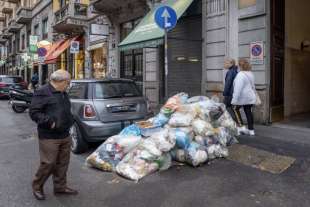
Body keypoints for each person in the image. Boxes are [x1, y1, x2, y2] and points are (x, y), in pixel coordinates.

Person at [29, 69, 77, 200]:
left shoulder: (63, 92)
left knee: (63, 163)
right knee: (48, 163)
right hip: (49, 136)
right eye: (68, 82)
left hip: (64, 134)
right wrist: (50, 123)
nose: (69, 84)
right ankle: (37, 186)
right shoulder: (42, 92)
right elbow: (34, 112)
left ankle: (60, 187)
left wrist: (70, 120)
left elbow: (65, 110)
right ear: (59, 81)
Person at [231, 58, 256, 136]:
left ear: (240, 66)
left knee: (235, 108)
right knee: (248, 112)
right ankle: (251, 130)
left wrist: (234, 100)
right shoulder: (250, 74)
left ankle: (241, 127)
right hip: (250, 96)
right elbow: (253, 86)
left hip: (242, 97)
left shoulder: (240, 75)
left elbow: (237, 89)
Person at [222, 58, 239, 123]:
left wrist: (225, 93)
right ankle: (235, 123)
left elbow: (228, 84)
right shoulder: (235, 71)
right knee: (230, 108)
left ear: (231, 64)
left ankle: (235, 123)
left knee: (225, 108)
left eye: (226, 63)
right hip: (232, 93)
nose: (225, 64)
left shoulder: (230, 72)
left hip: (229, 94)